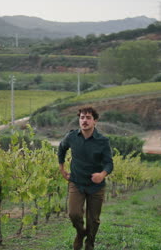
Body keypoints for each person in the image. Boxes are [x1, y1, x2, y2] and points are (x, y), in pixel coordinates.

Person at [58, 106, 113, 250]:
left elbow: (109, 163)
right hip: (76, 182)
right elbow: (61, 148)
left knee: (93, 220)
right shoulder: (71, 137)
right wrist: (62, 168)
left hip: (96, 186)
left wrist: (102, 174)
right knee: (73, 214)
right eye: (82, 117)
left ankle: (90, 244)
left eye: (88, 118)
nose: (84, 121)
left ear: (95, 121)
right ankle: (81, 233)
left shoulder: (103, 141)